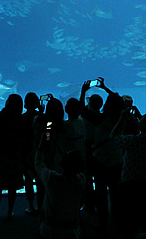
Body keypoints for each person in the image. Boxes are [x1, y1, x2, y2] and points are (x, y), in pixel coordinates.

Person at [79, 78, 123, 234]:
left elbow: (82, 110)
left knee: (101, 194)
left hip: (101, 162)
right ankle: (118, 222)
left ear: (107, 105)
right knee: (116, 194)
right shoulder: (123, 119)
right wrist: (105, 88)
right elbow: (118, 101)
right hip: (117, 162)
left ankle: (102, 223)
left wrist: (83, 91)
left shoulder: (101, 119)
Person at [35, 134, 85, 239]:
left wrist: (43, 142)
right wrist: (56, 144)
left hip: (49, 228)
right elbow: (70, 163)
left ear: (61, 163)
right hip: (72, 231)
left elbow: (38, 162)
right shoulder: (81, 180)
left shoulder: (51, 179)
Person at [110, 106, 146, 238]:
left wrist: (122, 120)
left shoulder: (134, 140)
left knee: (130, 216)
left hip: (130, 184)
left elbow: (113, 137)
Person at [0, 93, 24, 219]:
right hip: (14, 154)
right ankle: (10, 211)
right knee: (12, 185)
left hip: (0, 154)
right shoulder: (21, 118)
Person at [20, 92, 41, 215]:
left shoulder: (22, 118)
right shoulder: (42, 117)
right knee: (40, 180)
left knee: (28, 180)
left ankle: (31, 206)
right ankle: (40, 205)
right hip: (39, 151)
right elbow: (48, 133)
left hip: (25, 152)